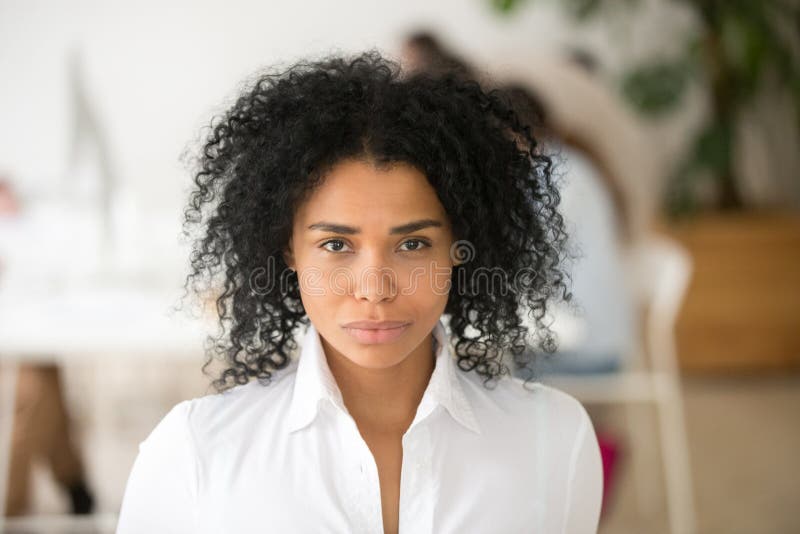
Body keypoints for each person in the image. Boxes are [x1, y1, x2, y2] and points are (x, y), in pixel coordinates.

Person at [116, 51, 603, 534]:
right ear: (288, 250)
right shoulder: (196, 453)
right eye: (336, 244)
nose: (374, 288)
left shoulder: (555, 440)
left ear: (459, 247)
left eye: (412, 244)